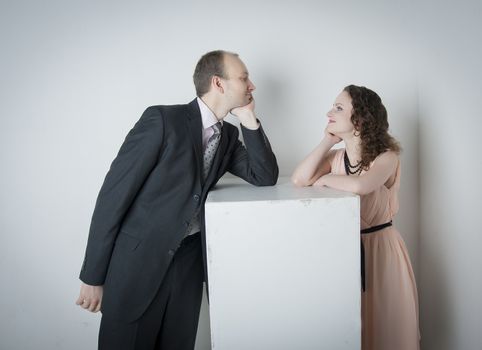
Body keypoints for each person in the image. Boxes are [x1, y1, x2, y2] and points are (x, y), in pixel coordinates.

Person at [76, 50, 279, 350]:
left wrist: (250, 119)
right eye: (244, 77)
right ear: (218, 83)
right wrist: (92, 276)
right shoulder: (161, 120)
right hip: (136, 268)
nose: (252, 86)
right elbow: (113, 197)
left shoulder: (228, 138)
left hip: (188, 267)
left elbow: (265, 176)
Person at [291, 85, 420, 350]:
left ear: (360, 118)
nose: (329, 112)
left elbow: (363, 185)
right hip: (345, 253)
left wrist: (325, 178)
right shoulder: (337, 156)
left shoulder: (387, 157)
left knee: (386, 328)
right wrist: (327, 140)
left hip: (382, 252)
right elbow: (299, 179)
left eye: (338, 108)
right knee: (351, 331)